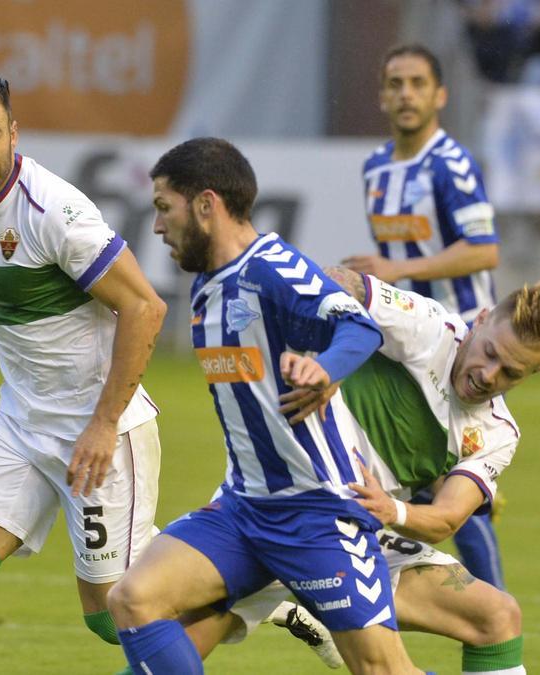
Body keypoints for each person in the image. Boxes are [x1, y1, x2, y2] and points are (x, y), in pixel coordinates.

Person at [106, 137, 425, 674]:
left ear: (206, 205)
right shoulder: (209, 287)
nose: (157, 226)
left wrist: (325, 369)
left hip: (318, 513)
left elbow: (357, 326)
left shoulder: (275, 270)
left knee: (382, 671)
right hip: (244, 509)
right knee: (132, 599)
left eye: (164, 208)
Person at [0, 73, 167, 674]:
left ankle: (261, 601)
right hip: (19, 423)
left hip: (99, 432)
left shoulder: (57, 213)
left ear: (13, 133)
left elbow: (146, 308)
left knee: (110, 615)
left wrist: (102, 424)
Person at [203, 267, 540, 674]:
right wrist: (324, 360)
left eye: (511, 373)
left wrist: (392, 512)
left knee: (497, 616)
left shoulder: (496, 432)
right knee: (151, 630)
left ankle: (297, 609)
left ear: (535, 372)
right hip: (275, 504)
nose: (488, 375)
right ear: (479, 320)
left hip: (354, 529)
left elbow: (447, 518)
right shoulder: (430, 327)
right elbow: (338, 282)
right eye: (491, 353)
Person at [345, 43, 507, 590]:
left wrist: (398, 264)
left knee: (448, 490)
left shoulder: (453, 165)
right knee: (418, 486)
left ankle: (492, 613)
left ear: (440, 95)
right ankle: (435, 611)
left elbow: (484, 250)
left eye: (417, 83)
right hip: (409, 343)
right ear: (383, 95)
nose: (406, 94)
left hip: (463, 345)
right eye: (395, 83)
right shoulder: (375, 168)